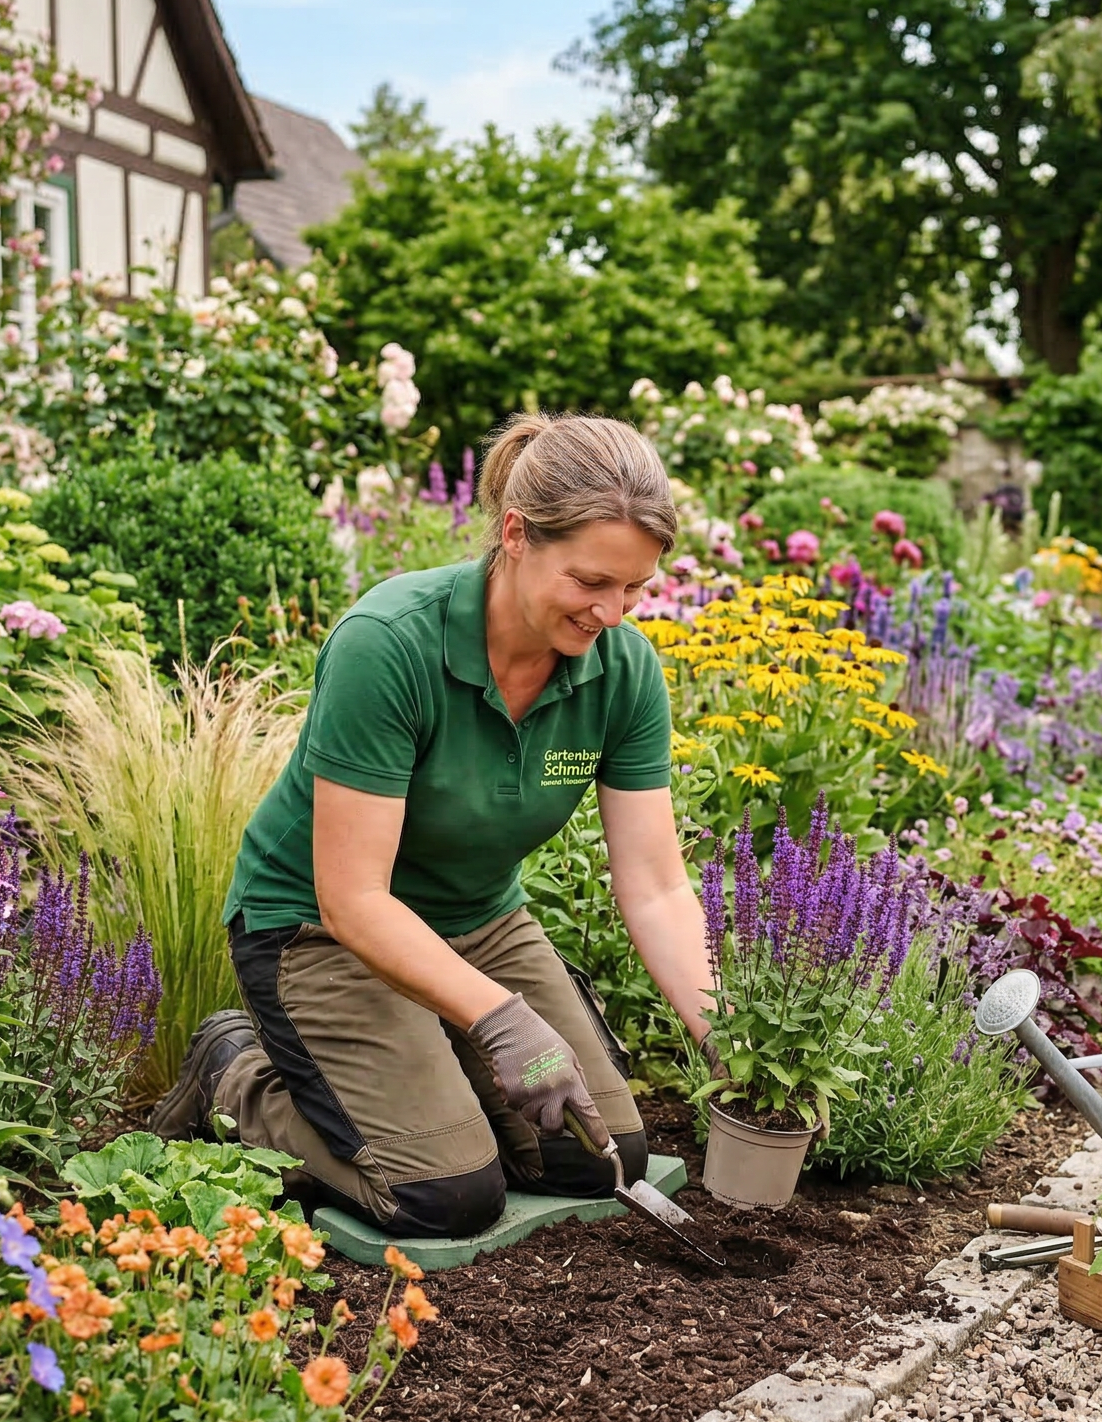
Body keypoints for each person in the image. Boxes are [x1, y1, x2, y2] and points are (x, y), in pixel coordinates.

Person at [148, 413, 716, 1239]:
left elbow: (659, 885)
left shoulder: (622, 672)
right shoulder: (390, 644)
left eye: (634, 589)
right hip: (317, 932)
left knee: (602, 1156)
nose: (613, 614)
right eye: (592, 582)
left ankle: (426, 1068)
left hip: (476, 924)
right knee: (445, 1194)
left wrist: (721, 1036)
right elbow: (353, 899)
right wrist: (501, 1020)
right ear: (516, 534)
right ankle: (235, 1074)